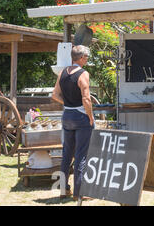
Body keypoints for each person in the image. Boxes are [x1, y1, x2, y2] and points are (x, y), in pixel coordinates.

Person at [52, 45, 94, 200]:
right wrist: (90, 116)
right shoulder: (83, 74)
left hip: (67, 116)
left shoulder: (62, 72)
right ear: (81, 58)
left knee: (67, 154)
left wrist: (67, 104)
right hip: (81, 117)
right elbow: (86, 98)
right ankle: (79, 193)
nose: (87, 59)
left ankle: (63, 190)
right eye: (87, 57)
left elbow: (55, 94)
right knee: (81, 155)